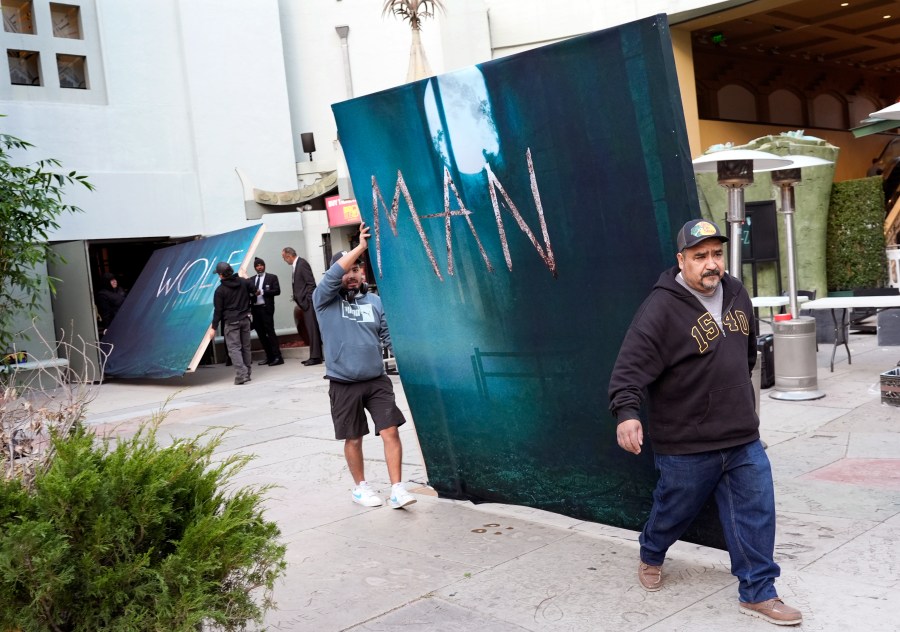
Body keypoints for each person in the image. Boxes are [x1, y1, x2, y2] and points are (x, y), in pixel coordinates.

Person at [608, 219, 801, 627]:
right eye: (700, 257)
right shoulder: (659, 309)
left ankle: (758, 591)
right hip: (686, 442)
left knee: (757, 512)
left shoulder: (736, 292)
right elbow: (628, 372)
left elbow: (746, 355)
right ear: (681, 260)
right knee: (673, 510)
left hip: (741, 436)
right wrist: (627, 415)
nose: (711, 264)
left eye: (716, 254)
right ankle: (652, 551)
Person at [312, 222, 415, 510]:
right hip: (343, 382)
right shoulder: (323, 301)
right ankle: (361, 488)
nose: (352, 274)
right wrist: (359, 246)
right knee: (353, 438)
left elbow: (388, 336)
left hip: (375, 380)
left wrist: (411, 363)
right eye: (347, 270)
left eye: (356, 269)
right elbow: (333, 276)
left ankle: (397, 488)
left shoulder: (375, 302)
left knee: (390, 429)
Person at [210, 262, 254, 385]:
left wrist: (213, 328)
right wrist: (246, 277)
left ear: (220, 275)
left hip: (231, 322)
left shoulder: (220, 291)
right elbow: (256, 291)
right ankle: (247, 374)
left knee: (234, 349)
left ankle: (241, 375)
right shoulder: (243, 282)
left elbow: (218, 311)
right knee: (246, 347)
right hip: (245, 319)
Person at [281, 246, 323, 366]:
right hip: (303, 304)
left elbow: (311, 284)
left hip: (308, 304)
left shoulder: (302, 263)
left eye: (284, 258)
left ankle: (316, 357)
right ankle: (313, 355)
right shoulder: (296, 265)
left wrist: (308, 300)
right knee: (310, 331)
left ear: (289, 256)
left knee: (313, 330)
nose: (285, 261)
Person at [250, 257, 284, 366]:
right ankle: (269, 357)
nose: (259, 267)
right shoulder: (251, 279)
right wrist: (252, 294)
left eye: (261, 265)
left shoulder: (272, 277)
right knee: (261, 334)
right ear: (255, 268)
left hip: (266, 309)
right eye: (257, 266)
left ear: (264, 266)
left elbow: (277, 291)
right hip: (255, 310)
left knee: (270, 332)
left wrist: (263, 291)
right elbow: (247, 293)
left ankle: (278, 357)